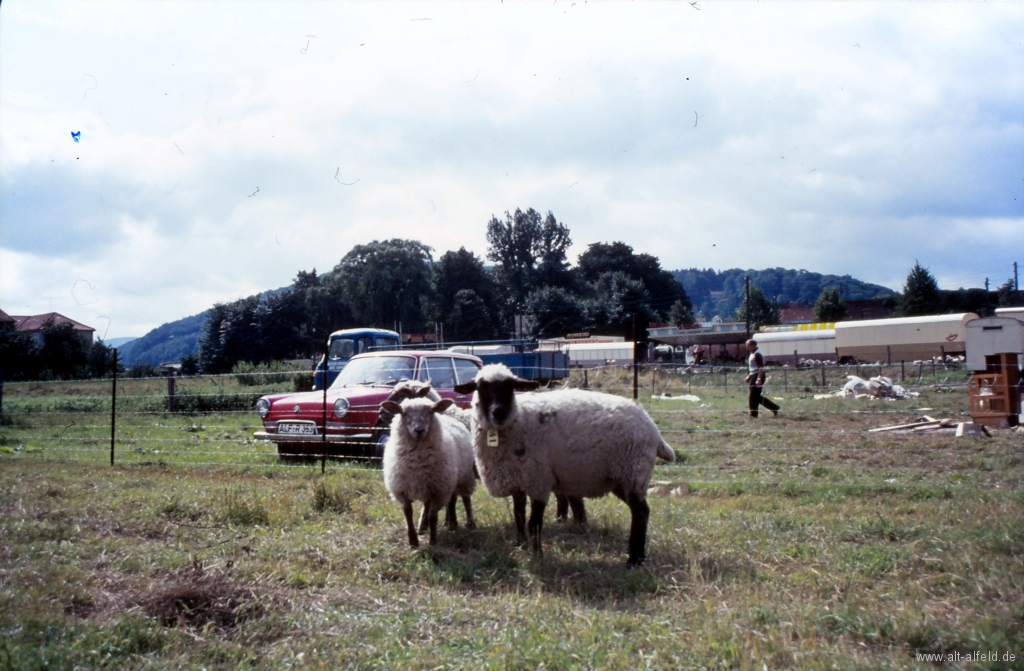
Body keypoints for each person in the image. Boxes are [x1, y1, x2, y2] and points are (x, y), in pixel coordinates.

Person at [744, 338, 779, 418]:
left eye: (748, 346)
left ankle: (753, 414)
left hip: (758, 376)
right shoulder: (753, 353)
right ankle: (774, 407)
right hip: (754, 376)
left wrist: (759, 379)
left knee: (753, 397)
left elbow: (760, 367)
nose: (747, 348)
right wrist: (749, 376)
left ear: (753, 346)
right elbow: (753, 367)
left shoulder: (757, 354)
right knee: (756, 396)